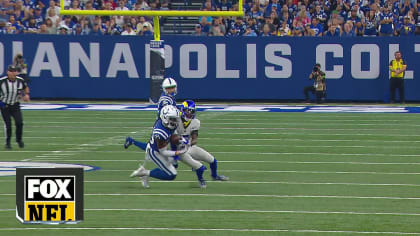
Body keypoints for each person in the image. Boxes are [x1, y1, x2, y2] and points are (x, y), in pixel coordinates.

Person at [128, 105, 189, 185]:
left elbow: (173, 133)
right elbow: (163, 152)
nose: (175, 121)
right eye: (172, 119)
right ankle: (145, 173)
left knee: (174, 164)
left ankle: (146, 172)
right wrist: (178, 152)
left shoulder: (167, 123)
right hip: (155, 152)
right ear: (165, 118)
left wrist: (179, 139)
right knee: (172, 174)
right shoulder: (160, 133)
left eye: (176, 119)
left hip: (162, 146)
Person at [177, 100, 229, 181]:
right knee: (199, 166)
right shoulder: (176, 121)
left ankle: (214, 176)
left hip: (189, 146)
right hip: (177, 149)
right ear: (183, 110)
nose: (190, 113)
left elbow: (194, 138)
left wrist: (189, 142)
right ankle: (201, 180)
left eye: (192, 111)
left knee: (213, 160)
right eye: (188, 111)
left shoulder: (195, 122)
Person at [0, 65, 30, 149]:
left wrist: (26, 95)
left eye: (14, 71)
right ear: (8, 72)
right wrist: (2, 105)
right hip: (4, 105)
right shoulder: (2, 82)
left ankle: (19, 139)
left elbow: (25, 87)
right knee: (8, 125)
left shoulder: (20, 81)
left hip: (15, 104)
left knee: (19, 122)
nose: (13, 73)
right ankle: (8, 143)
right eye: (11, 71)